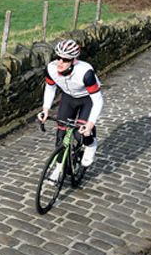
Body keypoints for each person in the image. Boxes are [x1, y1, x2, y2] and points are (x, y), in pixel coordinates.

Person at [36, 39, 104, 177]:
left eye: (65, 59)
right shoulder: (51, 69)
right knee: (61, 136)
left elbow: (98, 101)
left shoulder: (86, 73)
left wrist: (90, 125)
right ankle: (59, 167)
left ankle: (91, 145)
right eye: (58, 58)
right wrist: (45, 109)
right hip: (68, 97)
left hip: (87, 99)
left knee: (80, 134)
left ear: (74, 60)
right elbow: (50, 88)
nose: (60, 62)